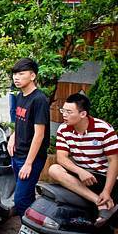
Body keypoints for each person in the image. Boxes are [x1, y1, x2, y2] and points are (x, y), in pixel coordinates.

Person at [48, 93, 118, 226]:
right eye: (63, 110)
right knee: (54, 169)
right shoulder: (63, 129)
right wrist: (80, 171)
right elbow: (61, 158)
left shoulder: (104, 129)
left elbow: (114, 161)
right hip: (84, 174)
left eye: (69, 112)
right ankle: (99, 202)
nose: (64, 115)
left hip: (104, 176)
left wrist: (107, 191)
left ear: (83, 114)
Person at [6, 58, 50, 234]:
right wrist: (13, 137)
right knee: (27, 198)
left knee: (21, 200)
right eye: (15, 73)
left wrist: (29, 163)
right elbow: (18, 121)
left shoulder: (39, 99)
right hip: (19, 154)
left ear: (32, 75)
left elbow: (39, 135)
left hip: (30, 159)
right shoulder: (20, 96)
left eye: (21, 73)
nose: (17, 77)